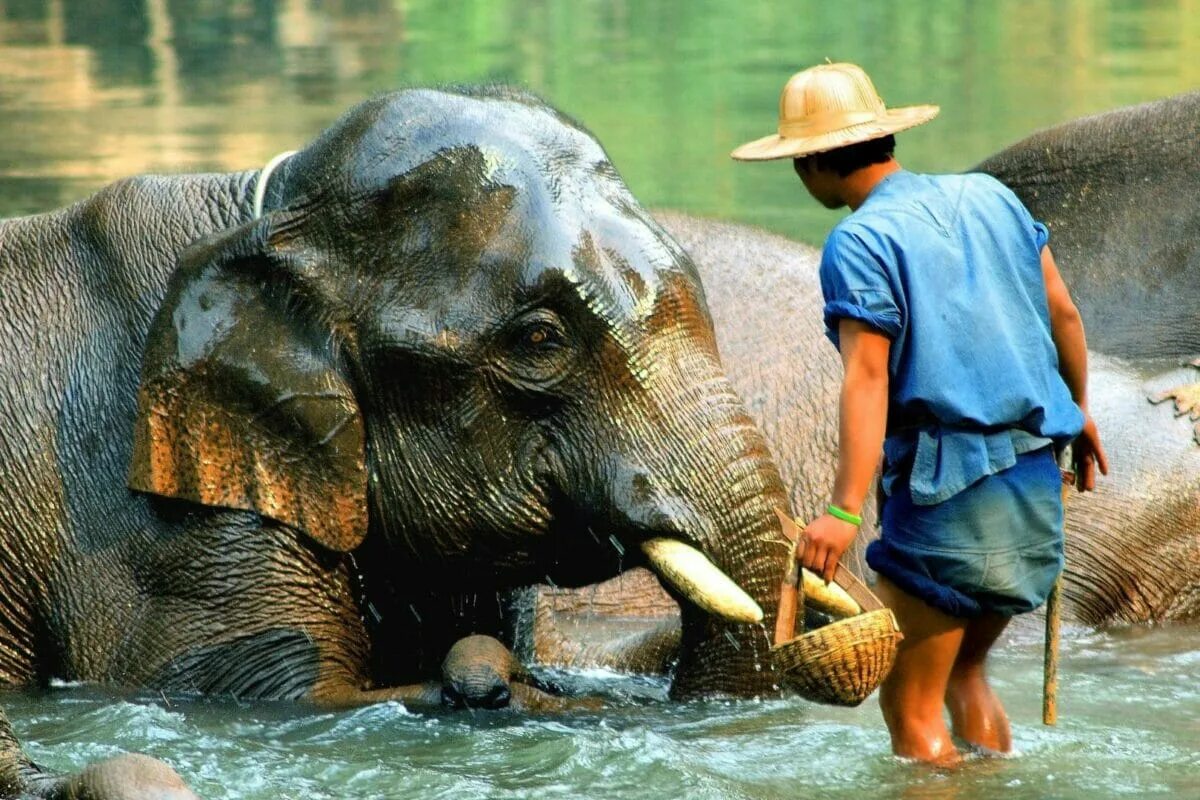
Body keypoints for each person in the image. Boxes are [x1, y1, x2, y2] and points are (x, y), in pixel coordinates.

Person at [731, 63, 1108, 765]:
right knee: (967, 674)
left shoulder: (858, 243)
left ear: (811, 164)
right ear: (884, 137)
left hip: (948, 503)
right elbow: (1064, 312)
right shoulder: (991, 197)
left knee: (911, 712)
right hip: (1031, 485)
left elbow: (867, 378)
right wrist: (1078, 412)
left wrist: (842, 513)